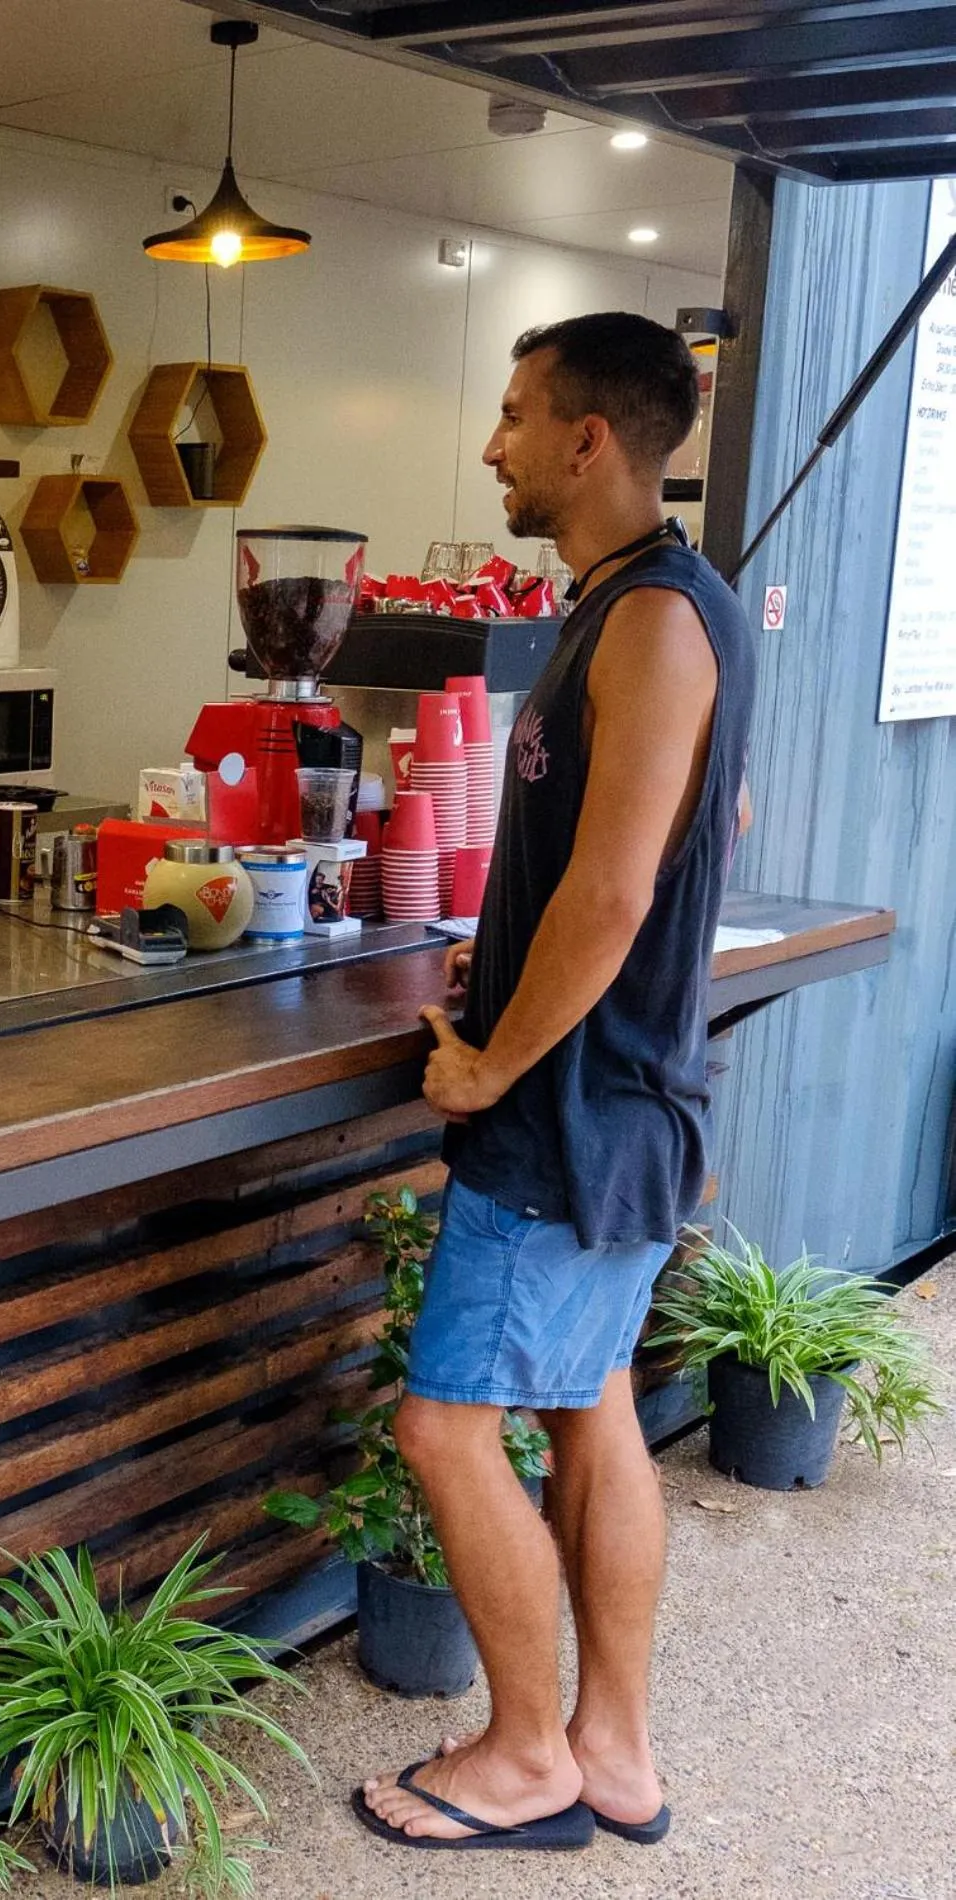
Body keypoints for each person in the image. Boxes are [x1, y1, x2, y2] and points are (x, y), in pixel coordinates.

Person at [355, 312, 755, 1854]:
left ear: (591, 440)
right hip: (620, 1097)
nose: (494, 444)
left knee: (449, 1429)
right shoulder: (633, 606)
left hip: (579, 1110)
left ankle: (524, 1757)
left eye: (516, 415)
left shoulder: (655, 619)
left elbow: (615, 895)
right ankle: (612, 1749)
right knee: (590, 1404)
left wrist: (489, 1059)